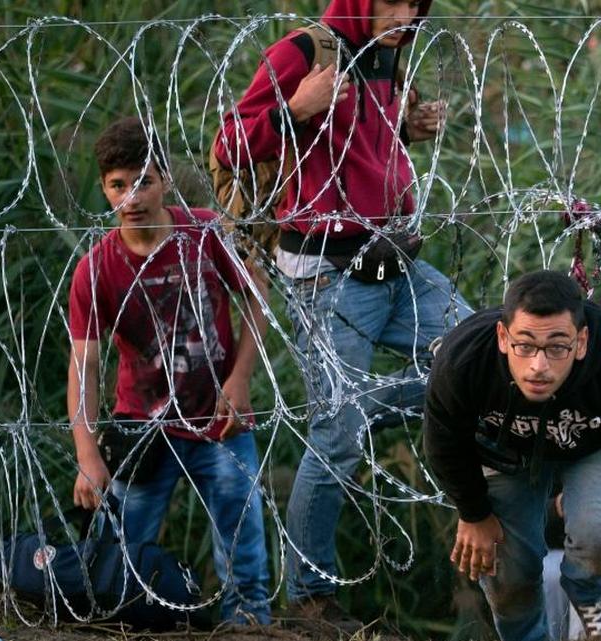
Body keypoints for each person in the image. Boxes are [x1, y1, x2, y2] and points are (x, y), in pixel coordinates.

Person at [212, 0, 471, 626]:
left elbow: (355, 146)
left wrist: (407, 127)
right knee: (336, 435)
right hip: (326, 270)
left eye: (415, 4)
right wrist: (295, 108)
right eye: (392, 2)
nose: (406, 13)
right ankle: (308, 598)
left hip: (391, 256)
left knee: (481, 354)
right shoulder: (303, 52)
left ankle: (369, 406)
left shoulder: (388, 51)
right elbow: (229, 144)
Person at [423, 270, 601, 641]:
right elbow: (443, 438)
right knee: (508, 573)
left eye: (557, 347)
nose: (538, 367)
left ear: (581, 342)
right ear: (502, 337)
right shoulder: (464, 361)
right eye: (524, 346)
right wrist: (473, 512)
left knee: (599, 538)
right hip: (505, 449)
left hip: (595, 440)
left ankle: (589, 592)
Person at [67, 116, 271, 624]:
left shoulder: (202, 231)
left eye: (144, 182)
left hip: (219, 421)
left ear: (163, 181)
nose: (132, 198)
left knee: (244, 562)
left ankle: (245, 631)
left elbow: (256, 295)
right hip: (143, 428)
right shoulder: (98, 269)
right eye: (119, 186)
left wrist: (240, 378)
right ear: (105, 189)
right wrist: (88, 454)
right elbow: (85, 365)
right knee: (117, 560)